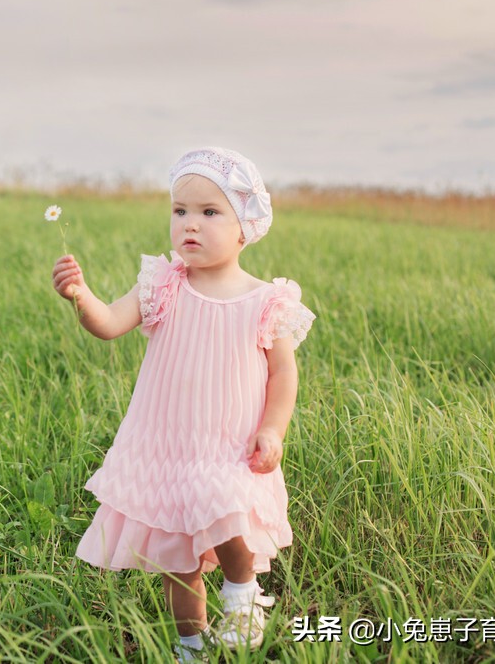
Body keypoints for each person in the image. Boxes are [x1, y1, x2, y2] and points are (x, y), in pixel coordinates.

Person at [51, 147, 314, 658]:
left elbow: (284, 374)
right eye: (180, 211)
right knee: (181, 559)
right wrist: (82, 297)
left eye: (209, 212)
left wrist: (273, 430)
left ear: (245, 227)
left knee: (229, 507)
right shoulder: (164, 284)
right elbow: (108, 324)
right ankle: (189, 644)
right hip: (168, 445)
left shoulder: (267, 300)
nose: (190, 224)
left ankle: (242, 597)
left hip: (231, 443)